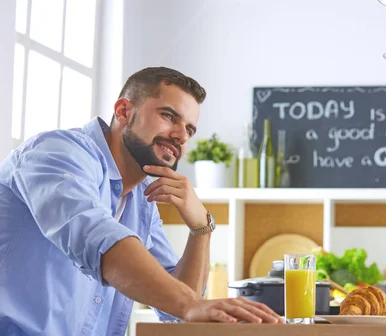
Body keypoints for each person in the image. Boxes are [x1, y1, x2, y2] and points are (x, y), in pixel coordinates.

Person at [0, 67, 282, 335]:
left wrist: (201, 228)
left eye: (190, 129)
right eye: (169, 116)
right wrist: (190, 304)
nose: (181, 136)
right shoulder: (59, 153)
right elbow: (95, 235)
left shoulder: (142, 199)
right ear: (124, 111)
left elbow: (177, 309)